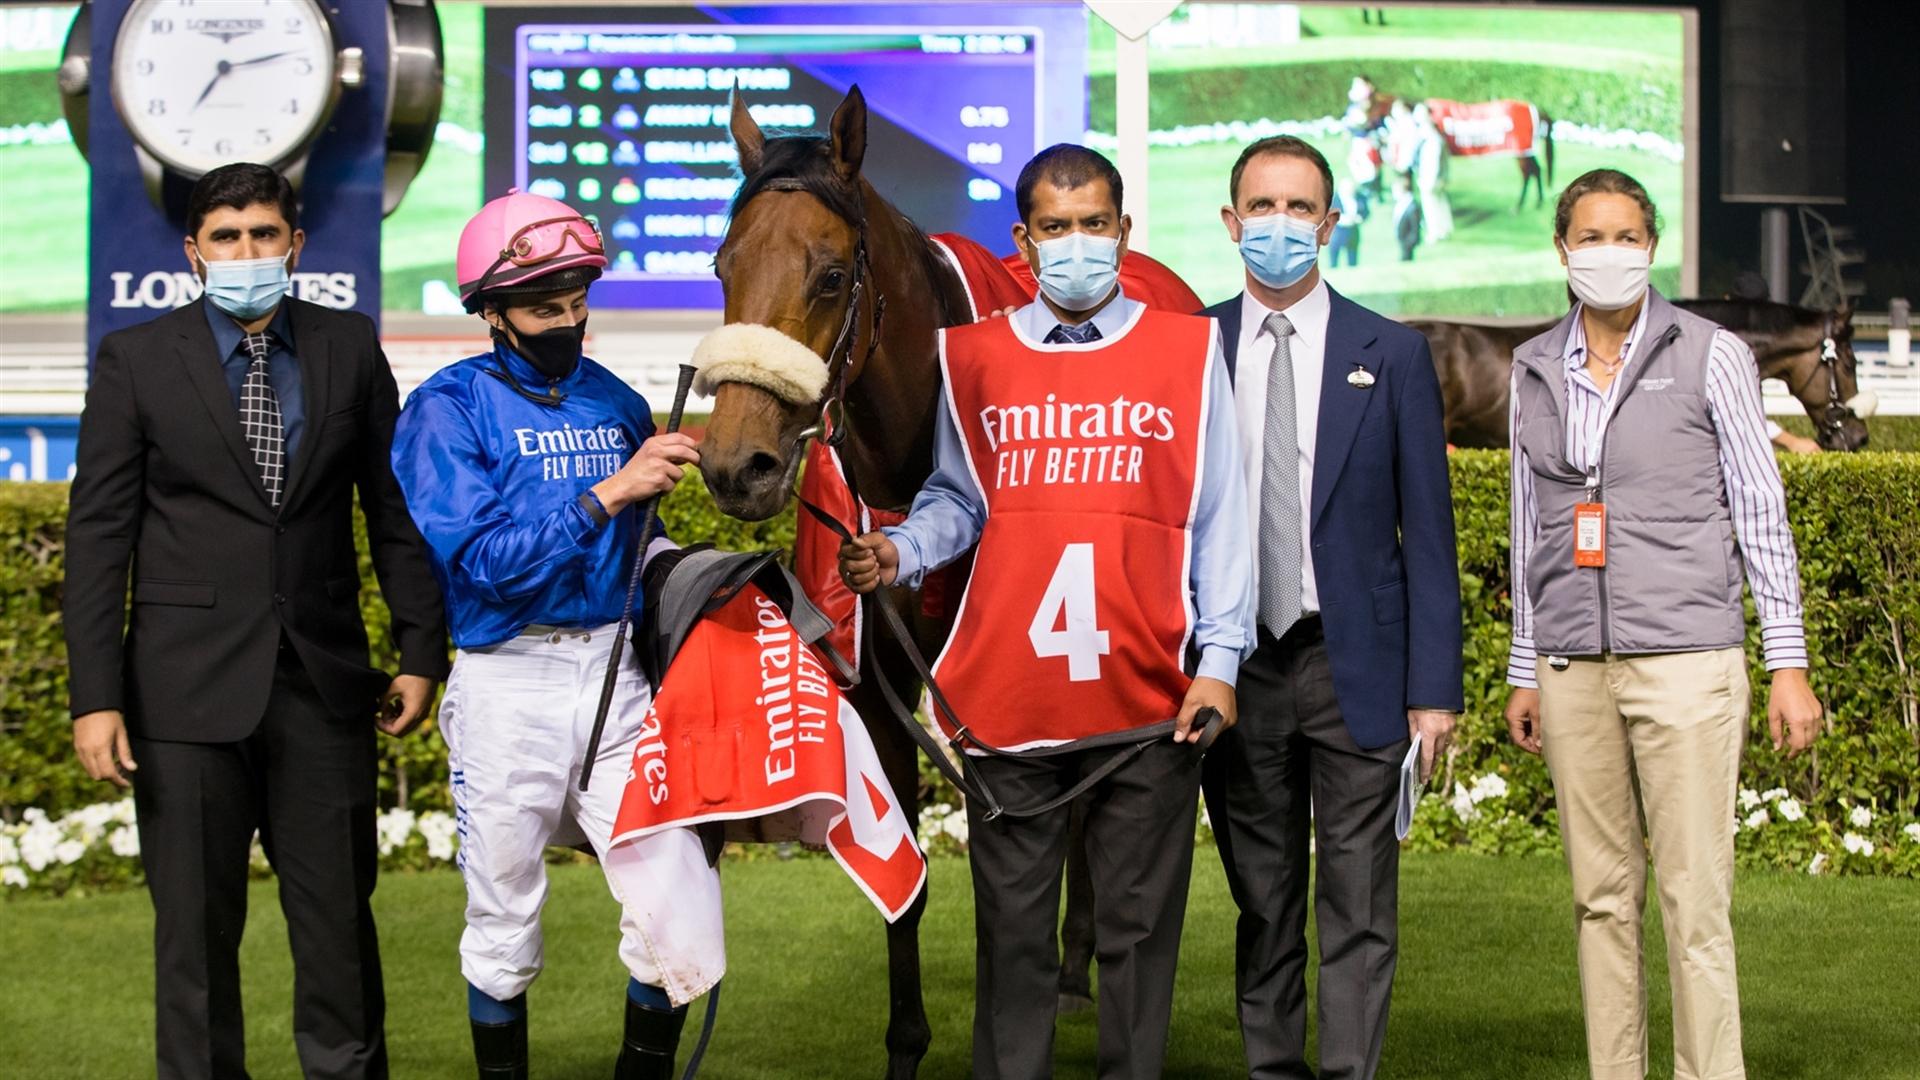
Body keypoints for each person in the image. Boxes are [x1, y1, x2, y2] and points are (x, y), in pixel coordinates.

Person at [838, 143, 1254, 1079]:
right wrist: (899, 547)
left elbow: (1221, 513)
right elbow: (960, 498)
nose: (1078, 245)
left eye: (1094, 225)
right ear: (1023, 242)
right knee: (1014, 948)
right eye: (1056, 229)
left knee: (1139, 947)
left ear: (1123, 232)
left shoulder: (1189, 354)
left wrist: (1220, 662)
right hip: (1010, 701)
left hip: (1150, 701)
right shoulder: (972, 358)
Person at [63, 162, 449, 1079]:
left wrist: (419, 648)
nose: (248, 253)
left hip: (322, 690)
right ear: (194, 253)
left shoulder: (349, 345)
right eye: (227, 239)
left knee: (338, 937)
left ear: (295, 245)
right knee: (194, 944)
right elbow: (98, 536)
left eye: (264, 235)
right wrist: (94, 697)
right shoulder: (136, 359)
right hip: (182, 698)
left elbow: (390, 512)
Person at [389, 191, 721, 1079]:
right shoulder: (444, 411)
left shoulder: (614, 402)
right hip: (508, 680)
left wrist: (685, 559)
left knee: (674, 905)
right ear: (491, 311)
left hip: (619, 678)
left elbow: (636, 543)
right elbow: (485, 563)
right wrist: (611, 492)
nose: (569, 318)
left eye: (579, 299)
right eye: (545, 305)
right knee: (503, 925)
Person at [1503, 168, 1824, 1080]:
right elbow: (1532, 528)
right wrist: (1527, 663)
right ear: (1563, 251)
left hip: (1688, 661)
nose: (1610, 253)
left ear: (1651, 248)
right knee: (1601, 900)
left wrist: (1786, 660)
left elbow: (1760, 508)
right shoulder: (1533, 366)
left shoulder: (1710, 352)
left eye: (1627, 236)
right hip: (1573, 669)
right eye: (1591, 237)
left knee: (1694, 900)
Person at [1199, 135, 1463, 1080]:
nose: (1280, 226)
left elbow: (1429, 538)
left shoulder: (1389, 352)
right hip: (1237, 669)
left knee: (1358, 903)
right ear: (1232, 224)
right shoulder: (1191, 347)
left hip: (1357, 668)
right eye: (1261, 208)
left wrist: (1435, 693)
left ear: (1330, 223)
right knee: (1263, 902)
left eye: (1299, 208)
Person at [1327, 178, 1367, 268]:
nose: (1350, 192)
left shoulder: (1360, 197)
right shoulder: (1333, 199)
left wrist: (1360, 218)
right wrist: (1342, 219)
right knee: (1334, 257)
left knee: (1353, 256)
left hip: (1353, 231)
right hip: (1337, 231)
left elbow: (1366, 211)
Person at [1393, 174, 1423, 262]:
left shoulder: (1412, 206)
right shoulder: (1400, 204)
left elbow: (1415, 226)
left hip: (1408, 241)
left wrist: (1411, 241)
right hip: (1402, 240)